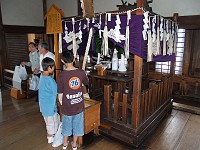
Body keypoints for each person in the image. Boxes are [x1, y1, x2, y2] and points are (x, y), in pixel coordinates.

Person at [57, 50, 89, 150]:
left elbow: (60, 92)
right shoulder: (81, 72)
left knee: (66, 125)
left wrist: (62, 104)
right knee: (78, 126)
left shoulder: (61, 75)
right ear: (74, 58)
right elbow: (86, 82)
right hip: (79, 105)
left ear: (62, 61)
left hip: (67, 106)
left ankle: (65, 144)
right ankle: (74, 145)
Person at [38, 57, 59, 144]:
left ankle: (49, 136)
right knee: (53, 124)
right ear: (50, 68)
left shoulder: (41, 77)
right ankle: (51, 138)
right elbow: (56, 93)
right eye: (53, 67)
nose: (54, 68)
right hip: (50, 107)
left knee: (48, 122)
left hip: (43, 106)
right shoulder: (51, 81)